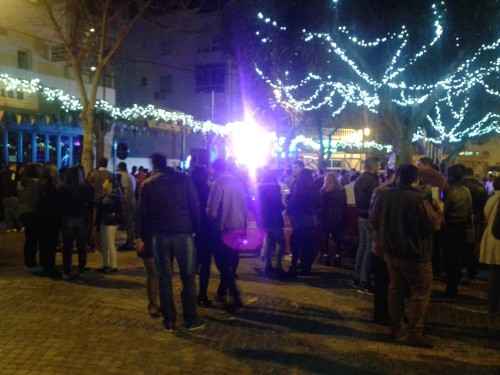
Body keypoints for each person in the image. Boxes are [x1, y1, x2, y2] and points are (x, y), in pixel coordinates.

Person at [370, 164, 444, 348]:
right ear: (416, 179)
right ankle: (414, 332)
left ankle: (396, 328)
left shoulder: (384, 195)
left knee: (395, 290)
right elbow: (433, 225)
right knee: (420, 293)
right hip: (415, 253)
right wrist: (440, 210)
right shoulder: (417, 199)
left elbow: (374, 220)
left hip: (392, 252)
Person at [136, 153, 203, 332]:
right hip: (183, 233)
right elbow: (194, 205)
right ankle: (190, 318)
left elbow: (142, 213)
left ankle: (169, 320)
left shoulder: (148, 184)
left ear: (154, 166)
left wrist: (140, 236)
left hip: (160, 235)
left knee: (164, 278)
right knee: (188, 276)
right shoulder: (184, 180)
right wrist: (196, 228)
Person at [207, 158, 248, 311]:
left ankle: (234, 294)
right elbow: (245, 206)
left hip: (223, 228)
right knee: (230, 260)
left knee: (221, 263)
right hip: (238, 226)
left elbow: (212, 210)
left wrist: (209, 220)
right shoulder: (238, 182)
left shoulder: (218, 183)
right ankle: (222, 291)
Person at [442, 164, 473, 298]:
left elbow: (444, 210)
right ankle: (454, 284)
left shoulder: (449, 191)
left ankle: (451, 287)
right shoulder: (466, 191)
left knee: (450, 258)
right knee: (457, 257)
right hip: (461, 227)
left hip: (450, 228)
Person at [59, 166, 93, 280]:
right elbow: (90, 204)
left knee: (67, 246)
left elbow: (60, 204)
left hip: (67, 218)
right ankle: (81, 270)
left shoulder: (63, 188)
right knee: (81, 246)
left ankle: (67, 271)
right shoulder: (85, 188)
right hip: (81, 218)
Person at [286, 168, 321, 278]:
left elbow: (294, 202)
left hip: (300, 219)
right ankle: (307, 267)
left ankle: (294, 266)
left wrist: (289, 212)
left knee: (296, 244)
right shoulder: (315, 188)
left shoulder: (299, 187)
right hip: (312, 219)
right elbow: (320, 204)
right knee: (309, 244)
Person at [353, 156, 380, 293]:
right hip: (368, 217)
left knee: (362, 247)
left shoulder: (359, 179)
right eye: (378, 166)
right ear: (374, 166)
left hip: (360, 215)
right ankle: (364, 281)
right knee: (369, 249)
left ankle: (357, 276)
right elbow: (374, 201)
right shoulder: (372, 181)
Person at [190, 165, 214, 307]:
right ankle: (202, 294)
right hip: (205, 231)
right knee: (205, 264)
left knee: (192, 264)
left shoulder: (189, 190)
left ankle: (189, 292)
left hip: (191, 231)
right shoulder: (207, 191)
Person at [462, 167, 489, 283]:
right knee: (473, 248)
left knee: (462, 247)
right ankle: (472, 274)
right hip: (476, 220)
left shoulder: (460, 187)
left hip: (461, 219)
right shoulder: (480, 187)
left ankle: (461, 269)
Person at [479, 176, 500, 323]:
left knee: (494, 275)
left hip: (492, 238)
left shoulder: (492, 199)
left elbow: (485, 214)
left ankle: (492, 309)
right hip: (498, 238)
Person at [257, 170, 286, 274]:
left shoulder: (260, 188)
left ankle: (267, 264)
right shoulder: (274, 188)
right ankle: (278, 265)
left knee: (268, 241)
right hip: (275, 219)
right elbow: (277, 204)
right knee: (281, 242)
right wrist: (283, 206)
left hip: (264, 218)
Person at [18, 163, 42, 273]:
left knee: (29, 239)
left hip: (23, 211)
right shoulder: (36, 184)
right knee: (33, 239)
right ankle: (31, 263)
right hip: (33, 211)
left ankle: (28, 262)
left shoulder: (20, 184)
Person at [38, 164, 62, 277]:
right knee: (50, 243)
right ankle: (49, 267)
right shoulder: (49, 186)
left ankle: (46, 265)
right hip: (50, 218)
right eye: (54, 171)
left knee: (45, 243)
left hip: (45, 218)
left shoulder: (43, 185)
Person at [87, 157, 116, 250]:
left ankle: (97, 246)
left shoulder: (93, 174)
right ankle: (106, 244)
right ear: (106, 164)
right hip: (107, 203)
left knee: (95, 224)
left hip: (95, 202)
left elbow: (88, 188)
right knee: (107, 224)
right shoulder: (111, 175)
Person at [320, 172, 347, 266]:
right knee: (337, 238)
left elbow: (320, 205)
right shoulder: (341, 190)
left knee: (325, 237)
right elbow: (344, 204)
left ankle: (325, 256)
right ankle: (337, 256)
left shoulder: (323, 191)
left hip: (325, 217)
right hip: (337, 217)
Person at [96, 178, 123, 273]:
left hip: (111, 221)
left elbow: (118, 209)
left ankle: (113, 265)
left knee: (110, 243)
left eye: (105, 181)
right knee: (105, 243)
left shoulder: (113, 196)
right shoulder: (107, 194)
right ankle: (105, 264)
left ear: (110, 184)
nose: (103, 183)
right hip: (105, 220)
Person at [117, 162, 137, 251]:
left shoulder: (124, 177)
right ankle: (130, 241)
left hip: (128, 202)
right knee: (131, 223)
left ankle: (130, 242)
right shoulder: (131, 176)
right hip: (132, 201)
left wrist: (123, 202)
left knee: (129, 223)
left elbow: (126, 191)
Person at [0, 162, 23, 232]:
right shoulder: (13, 174)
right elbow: (13, 184)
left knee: (7, 212)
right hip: (12, 195)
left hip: (3, 195)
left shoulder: (2, 173)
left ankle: (9, 227)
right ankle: (19, 226)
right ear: (13, 166)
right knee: (16, 211)